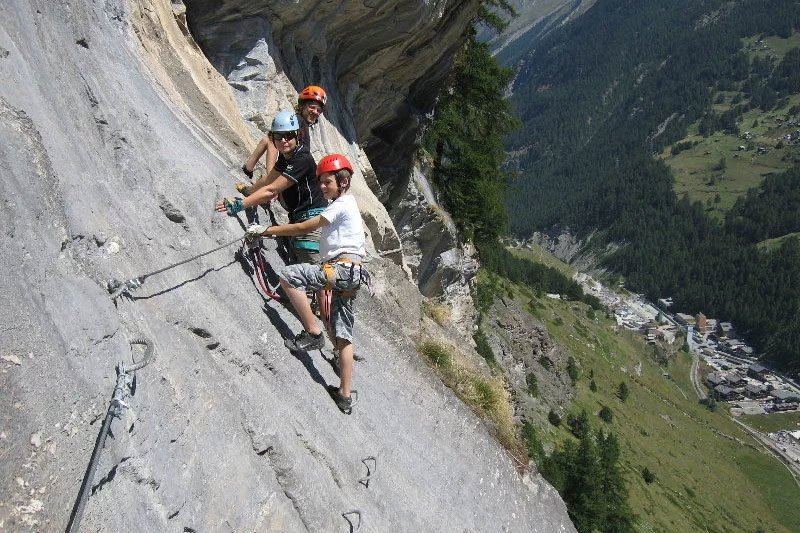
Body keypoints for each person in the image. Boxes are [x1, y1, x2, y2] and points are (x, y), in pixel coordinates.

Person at [244, 154, 367, 414]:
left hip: (339, 269)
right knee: (343, 336)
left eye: (327, 182)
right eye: (320, 182)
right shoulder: (350, 204)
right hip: (353, 274)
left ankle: (313, 333)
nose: (322, 187)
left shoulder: (340, 205)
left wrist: (265, 230)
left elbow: (303, 227)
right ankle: (345, 396)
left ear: (343, 182)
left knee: (289, 277)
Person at [217, 110, 327, 264]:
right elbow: (269, 180)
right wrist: (248, 191)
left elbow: (272, 190)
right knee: (298, 270)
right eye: (278, 136)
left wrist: (240, 204)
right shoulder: (287, 156)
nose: (283, 141)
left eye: (288, 135)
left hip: (311, 227)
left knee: (308, 272)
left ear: (298, 135)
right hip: (300, 222)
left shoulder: (302, 159)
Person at [241, 85, 327, 179]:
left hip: (291, 170)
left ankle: (249, 168)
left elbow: (269, 138)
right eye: (312, 107)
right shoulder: (298, 121)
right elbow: (272, 140)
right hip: (291, 173)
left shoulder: (300, 123)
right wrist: (271, 178)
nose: (315, 112)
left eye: (319, 110)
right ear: (302, 106)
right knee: (272, 138)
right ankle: (267, 176)